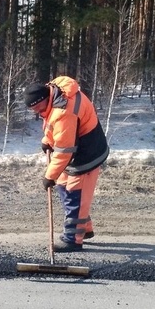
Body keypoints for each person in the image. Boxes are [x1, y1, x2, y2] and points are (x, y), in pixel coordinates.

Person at [24, 76, 109, 252]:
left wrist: (49, 176)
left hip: (87, 154)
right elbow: (51, 121)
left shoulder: (64, 112)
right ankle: (84, 228)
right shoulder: (56, 93)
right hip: (77, 148)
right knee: (63, 187)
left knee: (74, 195)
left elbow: (64, 151)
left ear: (45, 98)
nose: (36, 112)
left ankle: (73, 240)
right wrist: (48, 139)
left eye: (37, 108)